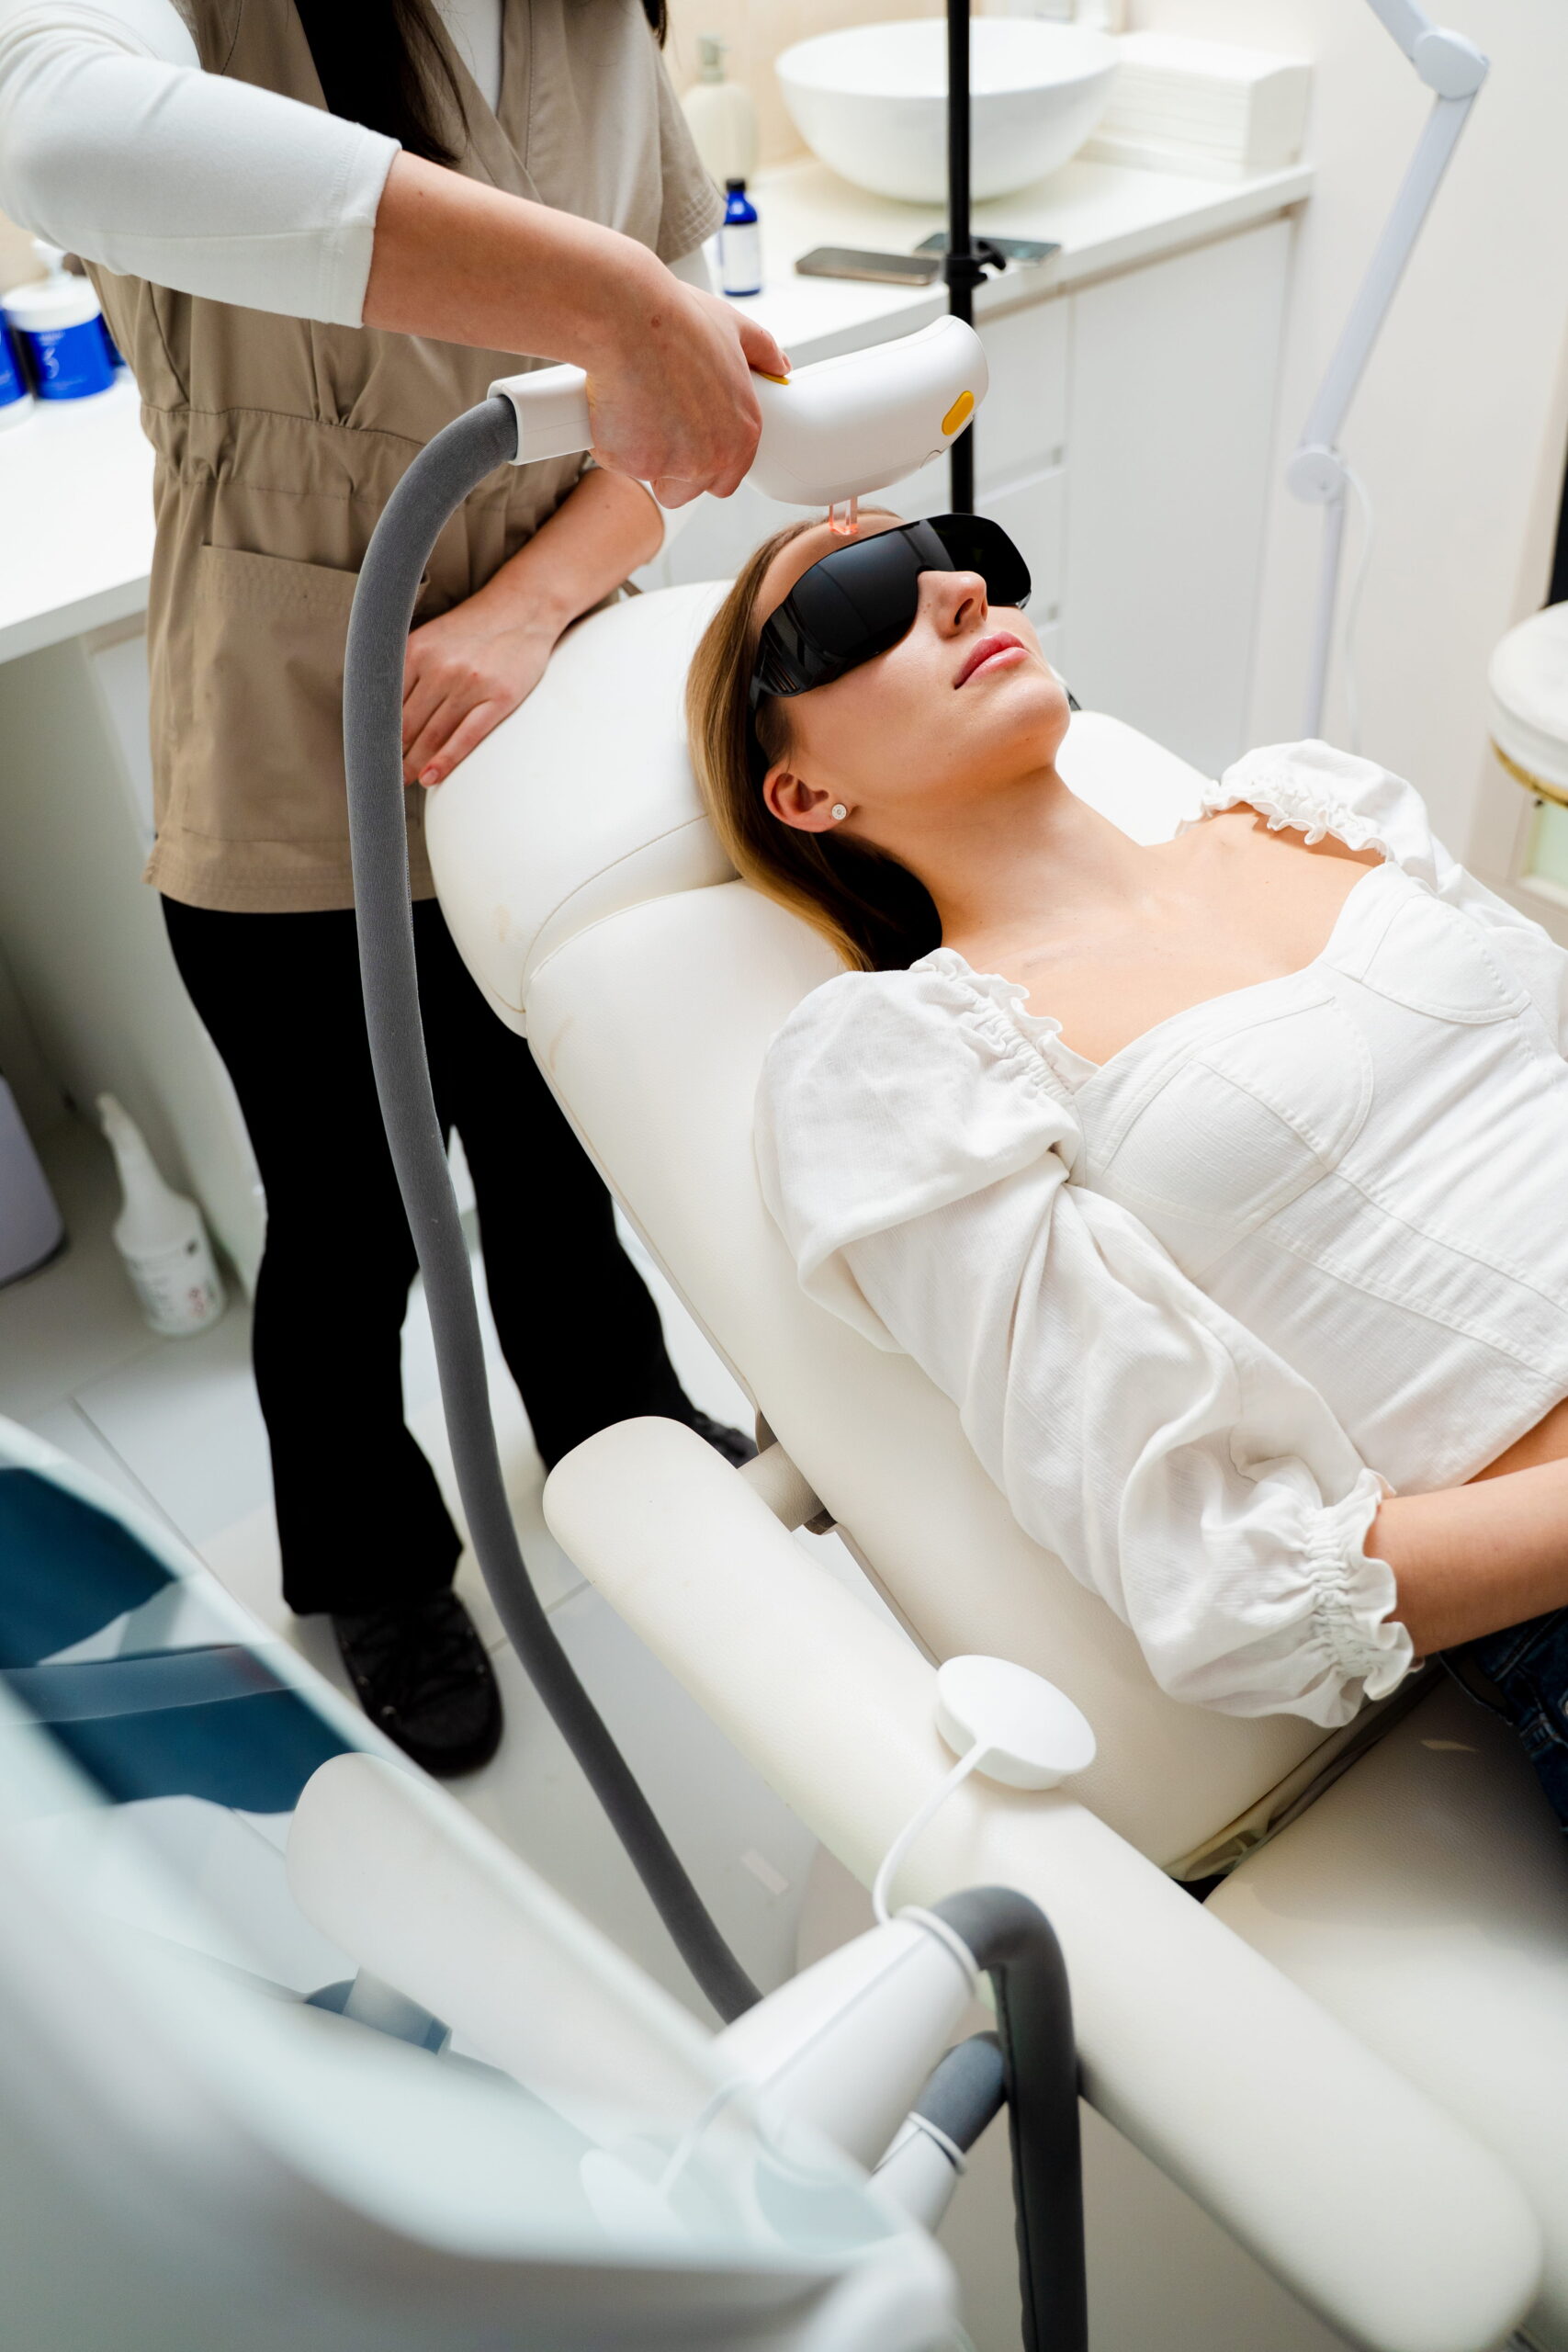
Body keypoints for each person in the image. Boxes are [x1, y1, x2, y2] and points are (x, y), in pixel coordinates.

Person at [0, 0, 786, 1776]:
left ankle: (619, 1435)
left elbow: (680, 413)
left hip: (559, 702)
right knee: (348, 1218)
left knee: (558, 1150)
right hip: (291, 727)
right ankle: (375, 1562)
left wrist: (525, 610)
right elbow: (52, 132)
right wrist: (608, 299)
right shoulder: (202, 31)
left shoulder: (600, 34)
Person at [688, 508, 1568, 1833]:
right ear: (805, 793)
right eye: (858, 601)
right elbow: (1232, 1597)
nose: (958, 590)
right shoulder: (901, 1060)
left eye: (960, 548)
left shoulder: (1316, 802)